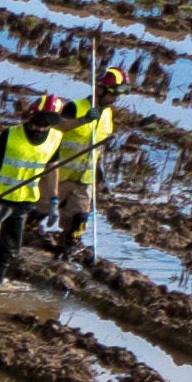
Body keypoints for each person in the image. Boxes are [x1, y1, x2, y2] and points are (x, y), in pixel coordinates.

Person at [0, 91, 70, 285]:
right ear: (31, 117)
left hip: (24, 200)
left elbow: (52, 171)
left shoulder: (55, 139)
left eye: (45, 125)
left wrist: (54, 201)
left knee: (10, 247)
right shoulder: (10, 135)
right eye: (38, 123)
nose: (40, 129)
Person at [56, 59, 132, 260]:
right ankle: (27, 236)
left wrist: (99, 172)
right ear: (99, 89)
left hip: (85, 176)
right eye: (112, 93)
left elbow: (98, 147)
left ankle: (70, 246)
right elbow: (57, 127)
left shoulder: (108, 115)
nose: (114, 99)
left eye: (117, 95)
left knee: (79, 216)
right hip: (59, 173)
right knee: (41, 210)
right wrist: (82, 120)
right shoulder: (76, 107)